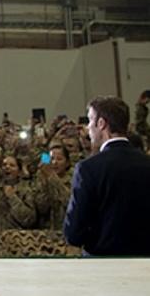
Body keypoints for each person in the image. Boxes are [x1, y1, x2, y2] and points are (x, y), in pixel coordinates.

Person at [63, 96, 150, 256]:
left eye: (90, 120)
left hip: (103, 265)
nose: (88, 127)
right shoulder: (146, 164)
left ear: (101, 123)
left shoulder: (88, 169)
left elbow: (74, 233)